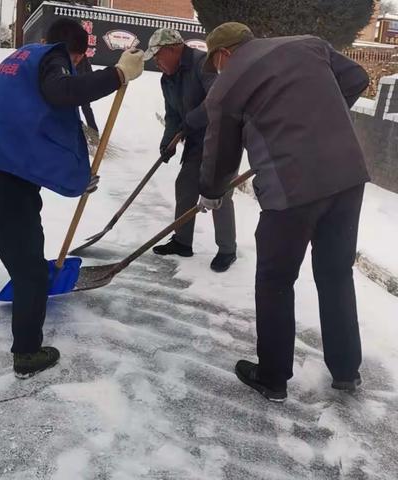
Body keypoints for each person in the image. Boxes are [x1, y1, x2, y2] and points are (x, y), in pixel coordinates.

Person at [0, 18, 144, 379]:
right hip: (3, 186)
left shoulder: (16, 64)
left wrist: (75, 178)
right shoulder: (52, 60)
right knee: (30, 271)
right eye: (81, 59)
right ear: (73, 52)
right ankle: (27, 353)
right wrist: (117, 75)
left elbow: (33, 135)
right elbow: (63, 94)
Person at [198, 23, 370, 402]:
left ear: (223, 54)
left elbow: (220, 153)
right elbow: (357, 77)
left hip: (291, 188)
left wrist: (210, 192)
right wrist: (320, 121)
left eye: (216, 63)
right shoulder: (309, 44)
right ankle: (346, 371)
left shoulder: (226, 86)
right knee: (336, 273)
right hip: (347, 176)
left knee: (275, 280)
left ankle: (273, 376)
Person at [145, 28, 238, 273]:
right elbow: (173, 115)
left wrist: (193, 119)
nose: (156, 62)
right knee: (185, 185)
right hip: (197, 140)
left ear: (174, 49)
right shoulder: (168, 79)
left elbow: (217, 99)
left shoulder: (201, 63)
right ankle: (182, 242)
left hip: (221, 136)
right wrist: (167, 143)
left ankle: (227, 249)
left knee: (218, 191)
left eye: (158, 55)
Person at [76, 55, 100, 135]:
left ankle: (94, 132)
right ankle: (91, 131)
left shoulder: (82, 57)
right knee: (79, 109)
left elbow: (89, 72)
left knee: (86, 108)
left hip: (82, 86)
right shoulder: (69, 57)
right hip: (76, 86)